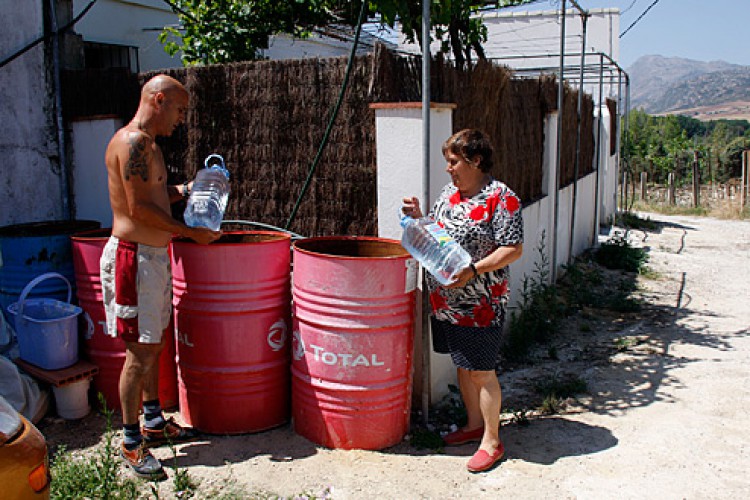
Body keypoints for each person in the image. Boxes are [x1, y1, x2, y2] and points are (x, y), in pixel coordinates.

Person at [100, 74, 222, 479]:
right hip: (134, 259)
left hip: (150, 256)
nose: (182, 119)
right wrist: (193, 233)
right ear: (158, 99)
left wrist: (186, 189)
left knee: (152, 344)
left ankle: (153, 421)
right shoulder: (134, 143)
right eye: (180, 109)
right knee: (139, 352)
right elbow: (138, 210)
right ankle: (131, 442)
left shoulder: (146, 146)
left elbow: (153, 195)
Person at [402, 128, 523, 473]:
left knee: (482, 372)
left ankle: (492, 441)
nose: (449, 169)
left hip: (481, 303)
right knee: (464, 365)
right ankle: (473, 426)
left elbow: (513, 248)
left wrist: (474, 269)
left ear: (476, 160)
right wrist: (419, 218)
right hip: (447, 302)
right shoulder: (449, 195)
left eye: (453, 162)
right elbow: (440, 233)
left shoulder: (501, 198)